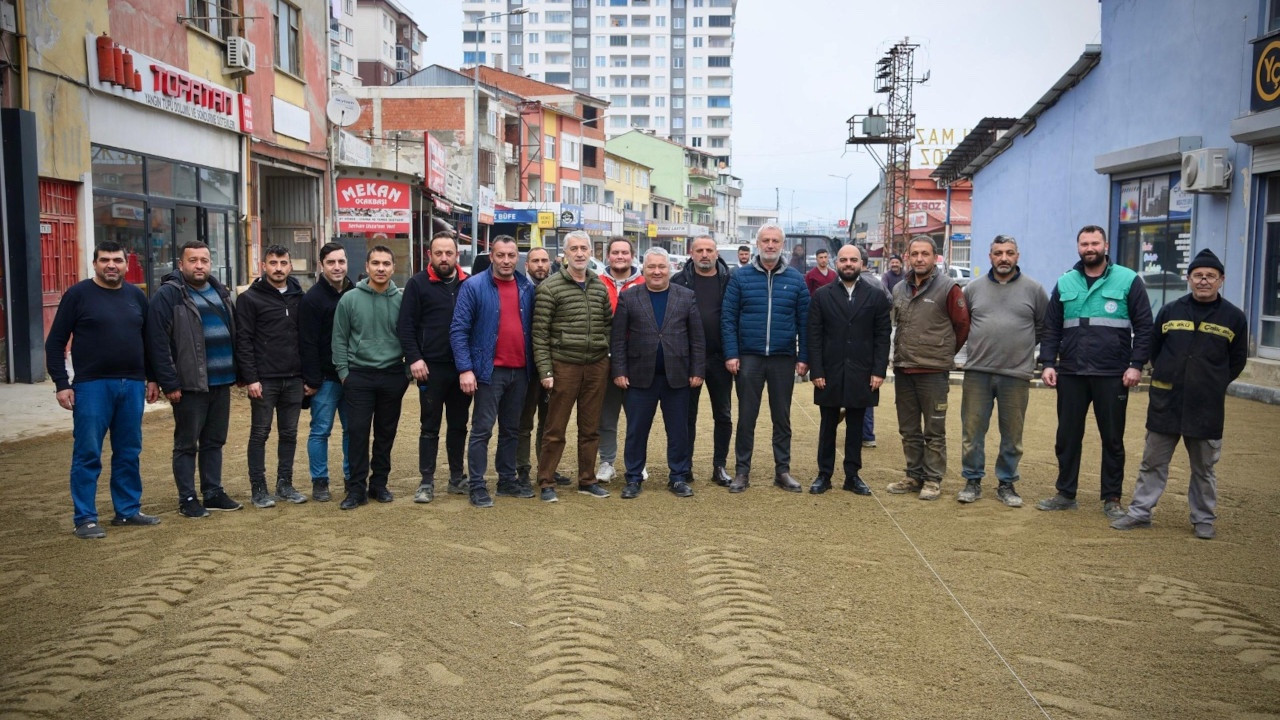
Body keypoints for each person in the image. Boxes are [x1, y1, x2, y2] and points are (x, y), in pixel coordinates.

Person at [1111, 249, 1246, 540]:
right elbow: (1155, 349)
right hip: (1166, 402)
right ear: (1189, 279)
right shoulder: (1170, 311)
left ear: (1221, 280)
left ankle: (1203, 520)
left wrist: (1212, 382)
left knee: (1204, 468)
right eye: (1198, 275)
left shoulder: (1234, 318)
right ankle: (1139, 513)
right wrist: (1168, 375)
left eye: (1210, 276)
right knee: (1152, 462)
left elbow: (1237, 361)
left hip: (1206, 406)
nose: (1204, 281)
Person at [46, 240, 161, 538]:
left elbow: (149, 342)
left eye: (118, 260)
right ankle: (85, 518)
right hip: (91, 386)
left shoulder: (136, 296)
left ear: (126, 264)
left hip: (132, 385)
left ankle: (127, 511)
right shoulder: (78, 295)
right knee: (87, 452)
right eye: (105, 260)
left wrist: (152, 378)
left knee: (128, 451)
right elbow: (55, 342)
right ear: (95, 264)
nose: (112, 265)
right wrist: (62, 384)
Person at [1037, 225, 1153, 518]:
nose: (1090, 248)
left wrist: (1136, 365)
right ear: (1078, 247)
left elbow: (1144, 328)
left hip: (1112, 373)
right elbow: (1051, 327)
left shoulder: (1128, 280)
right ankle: (1065, 493)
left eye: (1095, 243)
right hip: (1072, 372)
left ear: (1105, 245)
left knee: (1112, 438)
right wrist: (1048, 363)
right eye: (1084, 243)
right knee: (1067, 436)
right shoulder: (1065, 282)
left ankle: (1112, 497)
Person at [147, 241, 244, 518]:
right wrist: (170, 383)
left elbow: (234, 331)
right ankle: (188, 497)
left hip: (221, 381)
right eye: (192, 260)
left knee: (215, 441)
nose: (199, 265)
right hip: (189, 384)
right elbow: (157, 342)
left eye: (204, 260)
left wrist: (238, 371)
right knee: (187, 443)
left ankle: (212, 492)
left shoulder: (220, 292)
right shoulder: (169, 296)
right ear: (181, 265)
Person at [957, 235, 1048, 507]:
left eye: (1009, 252)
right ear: (990, 257)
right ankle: (972, 481)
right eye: (998, 253)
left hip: (1016, 375)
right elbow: (962, 326)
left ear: (1017, 256)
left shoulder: (1034, 289)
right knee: (972, 432)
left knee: (1012, 434)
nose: (1004, 258)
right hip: (977, 374)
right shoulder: (972, 289)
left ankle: (1006, 483)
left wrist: (1022, 350)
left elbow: (1043, 326)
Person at [721, 223, 810, 493]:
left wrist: (803, 356)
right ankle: (741, 471)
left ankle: (782, 470)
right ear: (757, 243)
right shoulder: (741, 277)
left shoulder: (796, 279)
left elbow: (805, 322)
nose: (770, 245)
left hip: (783, 358)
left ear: (782, 245)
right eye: (765, 240)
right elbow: (728, 318)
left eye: (775, 241)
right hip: (749, 358)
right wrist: (731, 353)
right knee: (747, 416)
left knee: (781, 417)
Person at [612, 247, 706, 499]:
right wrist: (619, 370)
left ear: (669, 268)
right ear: (644, 269)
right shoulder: (629, 297)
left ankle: (678, 477)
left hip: (678, 377)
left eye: (661, 267)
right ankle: (633, 478)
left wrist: (698, 370)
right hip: (639, 377)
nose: (656, 271)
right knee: (636, 431)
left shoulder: (686, 296)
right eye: (651, 267)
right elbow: (618, 339)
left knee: (678, 431)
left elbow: (697, 339)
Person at [450, 235, 536, 508]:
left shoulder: (526, 287)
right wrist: (465, 368)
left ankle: (507, 480)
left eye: (512, 256)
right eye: (501, 255)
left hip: (520, 371)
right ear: (492, 257)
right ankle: (477, 485)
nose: (507, 261)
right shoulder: (474, 286)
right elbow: (459, 330)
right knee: (482, 430)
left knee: (511, 429)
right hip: (488, 372)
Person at [886, 235, 970, 500]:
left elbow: (962, 326)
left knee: (934, 429)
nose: (919, 259)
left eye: (925, 254)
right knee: (908, 429)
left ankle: (933, 479)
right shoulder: (899, 289)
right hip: (904, 368)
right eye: (915, 254)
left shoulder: (948, 288)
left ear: (935, 257)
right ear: (908, 257)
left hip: (933, 372)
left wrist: (943, 352)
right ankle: (913, 475)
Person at [532, 230, 614, 502]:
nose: (580, 253)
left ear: (591, 252)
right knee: (555, 429)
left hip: (595, 366)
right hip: (563, 366)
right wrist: (545, 371)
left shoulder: (599, 286)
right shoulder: (550, 287)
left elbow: (607, 325)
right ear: (565, 254)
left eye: (584, 248)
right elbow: (540, 334)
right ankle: (546, 482)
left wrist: (605, 355)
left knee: (590, 429)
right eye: (574, 248)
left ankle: (587, 480)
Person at [807, 244, 891, 496]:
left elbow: (882, 335)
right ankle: (824, 474)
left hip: (863, 371)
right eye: (843, 259)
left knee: (855, 425)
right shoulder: (822, 295)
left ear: (861, 263)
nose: (848, 264)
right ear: (836, 263)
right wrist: (817, 370)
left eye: (853, 259)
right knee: (828, 425)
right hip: (829, 370)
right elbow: (814, 336)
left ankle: (852, 475)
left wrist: (879, 371)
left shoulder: (876, 296)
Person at [331, 246, 409, 510]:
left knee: (386, 433)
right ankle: (356, 489)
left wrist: (406, 372)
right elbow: (339, 339)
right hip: (359, 377)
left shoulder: (402, 299)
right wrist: (344, 374)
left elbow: (410, 337)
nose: (380, 268)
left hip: (392, 375)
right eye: (375, 263)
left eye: (386, 263)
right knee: (357, 433)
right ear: (366, 267)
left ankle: (379, 484)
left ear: (393, 268)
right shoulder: (350, 299)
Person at [398, 231, 471, 504]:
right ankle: (426, 481)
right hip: (430, 369)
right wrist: (414, 358)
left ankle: (456, 477)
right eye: (438, 253)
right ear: (430, 255)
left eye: (448, 253)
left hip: (462, 369)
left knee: (459, 424)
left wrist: (470, 366)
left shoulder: (468, 284)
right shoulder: (417, 284)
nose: (444, 258)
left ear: (457, 255)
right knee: (429, 425)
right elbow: (405, 326)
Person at [235, 245, 307, 509]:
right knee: (260, 433)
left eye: (283, 263)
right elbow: (244, 340)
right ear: (263, 265)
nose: (278, 268)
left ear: (290, 266)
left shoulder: (300, 297)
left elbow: (306, 338)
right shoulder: (249, 299)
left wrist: (307, 376)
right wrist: (251, 377)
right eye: (273, 263)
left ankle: (285, 484)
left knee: (289, 434)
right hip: (264, 380)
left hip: (294, 377)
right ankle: (259, 489)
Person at [671, 234, 734, 486]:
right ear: (691, 253)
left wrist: (733, 353)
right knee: (687, 415)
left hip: (720, 358)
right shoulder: (678, 281)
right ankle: (684, 466)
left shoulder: (729, 280)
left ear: (717, 253)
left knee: (723, 415)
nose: (704, 254)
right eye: (700, 250)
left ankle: (720, 466)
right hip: (688, 360)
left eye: (709, 250)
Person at [299, 242, 355, 502]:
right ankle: (319, 481)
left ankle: (351, 477)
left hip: (352, 376)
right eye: (331, 262)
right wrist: (312, 379)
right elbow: (307, 342)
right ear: (321, 265)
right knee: (320, 431)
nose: (337, 267)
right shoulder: (312, 299)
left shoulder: (355, 292)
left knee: (352, 430)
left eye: (341, 261)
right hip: (324, 379)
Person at [516, 247, 572, 487]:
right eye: (535, 261)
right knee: (523, 422)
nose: (540, 265)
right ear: (526, 265)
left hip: (552, 365)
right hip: (525, 367)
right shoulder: (519, 290)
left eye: (544, 261)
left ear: (550, 264)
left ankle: (546, 468)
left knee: (549, 423)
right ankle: (522, 470)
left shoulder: (556, 288)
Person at [594, 237, 645, 483]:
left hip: (637, 359)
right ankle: (607, 462)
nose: (620, 256)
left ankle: (637, 462)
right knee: (606, 416)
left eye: (625, 252)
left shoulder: (645, 282)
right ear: (608, 256)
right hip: (605, 358)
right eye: (615, 252)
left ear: (632, 255)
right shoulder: (596, 283)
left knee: (637, 415)